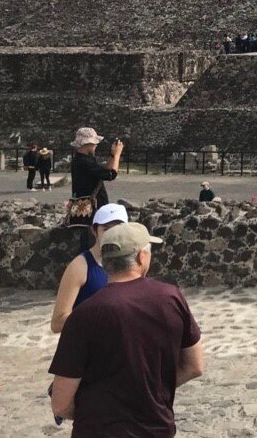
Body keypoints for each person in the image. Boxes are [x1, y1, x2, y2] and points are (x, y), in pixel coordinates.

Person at [48, 222, 205, 432]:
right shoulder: (171, 297)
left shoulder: (83, 315)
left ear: (105, 261)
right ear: (141, 257)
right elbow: (194, 366)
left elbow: (60, 404)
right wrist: (150, 394)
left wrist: (97, 412)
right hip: (155, 428)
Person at [50, 203, 129, 333]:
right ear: (94, 231)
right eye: (106, 229)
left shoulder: (131, 260)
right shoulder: (80, 267)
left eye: (118, 229)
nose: (113, 235)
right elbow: (57, 323)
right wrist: (98, 317)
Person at [70, 127, 123, 211]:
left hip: (87, 206)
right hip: (93, 208)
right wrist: (117, 155)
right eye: (94, 143)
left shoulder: (81, 159)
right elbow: (111, 175)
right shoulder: (85, 162)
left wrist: (112, 156)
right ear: (87, 143)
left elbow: (103, 172)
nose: (96, 145)